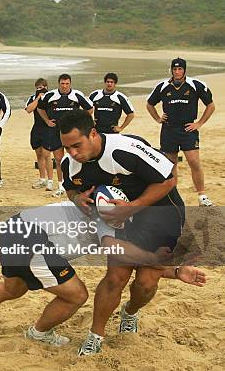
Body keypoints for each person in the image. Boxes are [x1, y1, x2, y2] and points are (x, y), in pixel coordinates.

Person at [0, 200, 206, 348]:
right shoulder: (112, 217)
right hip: (35, 240)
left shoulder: (103, 202)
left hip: (13, 228)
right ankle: (38, 333)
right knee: (76, 295)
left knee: (13, 288)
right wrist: (175, 270)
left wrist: (175, 271)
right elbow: (128, 256)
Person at [57, 109, 189, 356]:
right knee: (116, 277)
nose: (72, 153)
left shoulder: (125, 149)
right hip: (119, 220)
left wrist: (133, 207)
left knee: (146, 283)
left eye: (76, 145)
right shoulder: (71, 164)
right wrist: (77, 199)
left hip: (161, 214)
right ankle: (96, 335)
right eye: (67, 148)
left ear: (93, 133)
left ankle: (130, 312)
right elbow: (71, 189)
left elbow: (170, 178)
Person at [146, 57, 216, 207]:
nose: (177, 72)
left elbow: (210, 105)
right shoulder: (163, 86)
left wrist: (199, 123)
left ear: (184, 70)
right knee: (171, 164)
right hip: (169, 130)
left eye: (180, 69)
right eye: (175, 69)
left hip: (187, 129)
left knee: (194, 162)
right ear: (171, 70)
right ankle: (174, 194)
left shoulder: (195, 85)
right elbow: (149, 104)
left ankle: (202, 195)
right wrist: (158, 118)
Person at [37, 73, 93, 197]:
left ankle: (78, 183)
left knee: (76, 157)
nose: (64, 86)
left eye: (67, 83)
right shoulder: (50, 95)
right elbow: (40, 108)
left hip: (72, 133)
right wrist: (47, 120)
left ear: (70, 84)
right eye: (62, 83)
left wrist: (80, 122)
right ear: (58, 83)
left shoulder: (77, 95)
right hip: (56, 131)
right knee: (59, 160)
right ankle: (62, 185)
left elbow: (89, 109)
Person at [25, 78, 53, 190]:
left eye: (41, 88)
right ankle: (42, 179)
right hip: (37, 128)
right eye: (37, 88)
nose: (39, 90)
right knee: (39, 155)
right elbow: (28, 109)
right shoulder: (33, 98)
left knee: (47, 154)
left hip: (48, 128)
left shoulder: (51, 96)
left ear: (46, 87)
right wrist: (38, 98)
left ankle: (50, 180)